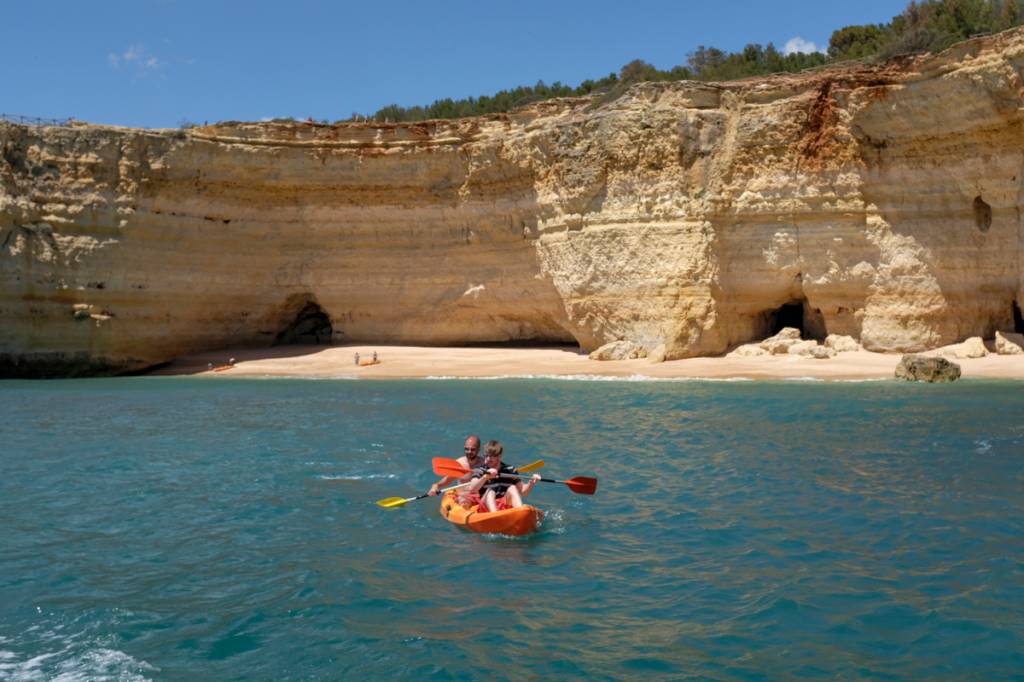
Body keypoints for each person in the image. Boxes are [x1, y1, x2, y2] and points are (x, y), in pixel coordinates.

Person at [467, 440, 540, 512]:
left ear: (499, 456)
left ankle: (521, 513)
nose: (488, 459)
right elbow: (472, 489)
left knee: (512, 488)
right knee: (490, 491)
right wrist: (485, 477)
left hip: (504, 504)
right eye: (486, 456)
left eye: (491, 456)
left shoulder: (510, 470)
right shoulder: (480, 470)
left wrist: (531, 483)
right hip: (485, 507)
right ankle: (495, 516)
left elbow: (523, 492)